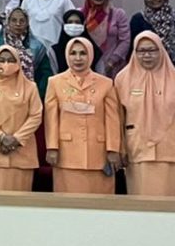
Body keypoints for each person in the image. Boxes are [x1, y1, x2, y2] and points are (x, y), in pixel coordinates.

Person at [115, 32, 175, 197]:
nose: (147, 55)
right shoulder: (122, 79)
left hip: (172, 152)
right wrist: (120, 149)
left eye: (152, 50)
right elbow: (118, 118)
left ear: (161, 50)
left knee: (173, 205)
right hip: (138, 152)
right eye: (141, 51)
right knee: (142, 205)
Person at [44, 36, 122, 194]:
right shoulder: (55, 82)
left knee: (98, 202)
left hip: (98, 154)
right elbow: (51, 119)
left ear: (91, 55)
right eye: (73, 53)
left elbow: (112, 120)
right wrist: (52, 147)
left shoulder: (106, 83)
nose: (78, 58)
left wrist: (113, 149)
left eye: (83, 53)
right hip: (67, 153)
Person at [0, 46, 44, 191]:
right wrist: (1, 137)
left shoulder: (30, 87)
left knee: (20, 200)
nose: (6, 64)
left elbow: (36, 116)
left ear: (18, 62)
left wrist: (16, 139)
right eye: (2, 60)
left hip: (21, 151)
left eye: (11, 60)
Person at [0, 7, 54, 95]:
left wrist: (38, 93)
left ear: (27, 23)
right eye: (14, 20)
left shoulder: (37, 46)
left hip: (32, 93)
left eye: (22, 21)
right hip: (3, 93)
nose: (18, 24)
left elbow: (46, 73)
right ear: (7, 22)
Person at [81, 0, 131, 76]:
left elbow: (125, 40)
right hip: (85, 64)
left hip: (112, 66)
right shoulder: (81, 14)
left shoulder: (118, 14)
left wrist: (112, 61)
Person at [50, 10, 103, 74]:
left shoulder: (94, 50)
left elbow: (101, 74)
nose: (74, 25)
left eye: (77, 22)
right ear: (64, 25)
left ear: (83, 25)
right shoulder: (55, 51)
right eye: (70, 22)